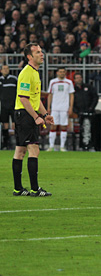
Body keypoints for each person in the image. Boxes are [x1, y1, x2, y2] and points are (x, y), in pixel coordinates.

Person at [12, 43, 55, 197]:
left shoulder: (34, 72)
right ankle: (35, 189)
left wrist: (45, 115)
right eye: (38, 52)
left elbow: (35, 99)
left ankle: (18, 189)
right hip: (26, 115)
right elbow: (23, 99)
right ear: (29, 56)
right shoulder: (26, 73)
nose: (41, 54)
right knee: (33, 149)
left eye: (41, 52)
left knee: (20, 151)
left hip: (25, 114)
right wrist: (36, 117)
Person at [47, 67, 74, 152]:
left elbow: (71, 95)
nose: (62, 73)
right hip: (54, 107)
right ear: (57, 73)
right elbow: (50, 94)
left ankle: (62, 146)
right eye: (60, 72)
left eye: (63, 72)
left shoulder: (69, 82)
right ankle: (51, 146)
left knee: (64, 126)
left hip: (64, 108)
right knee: (53, 126)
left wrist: (70, 107)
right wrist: (48, 107)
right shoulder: (53, 82)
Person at [73, 73, 99, 151]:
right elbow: (71, 101)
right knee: (81, 129)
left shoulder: (89, 87)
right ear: (74, 80)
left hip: (90, 112)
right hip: (79, 113)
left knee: (91, 128)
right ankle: (82, 145)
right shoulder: (73, 90)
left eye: (80, 77)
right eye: (77, 78)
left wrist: (91, 108)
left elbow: (95, 97)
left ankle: (91, 145)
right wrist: (76, 111)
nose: (79, 79)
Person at [0, 64, 17, 149]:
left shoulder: (14, 79)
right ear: (1, 70)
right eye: (4, 69)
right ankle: (6, 144)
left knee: (14, 124)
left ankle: (15, 143)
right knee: (5, 125)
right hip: (3, 106)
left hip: (13, 105)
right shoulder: (0, 80)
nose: (6, 70)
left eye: (7, 68)